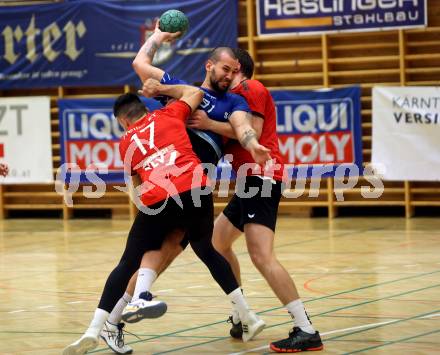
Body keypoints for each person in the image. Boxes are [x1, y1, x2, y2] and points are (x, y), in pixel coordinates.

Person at [63, 81, 266, 355]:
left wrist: (145, 208)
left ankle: (96, 327)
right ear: (143, 108)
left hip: (159, 197)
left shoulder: (125, 142)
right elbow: (195, 92)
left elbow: (135, 184)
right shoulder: (169, 114)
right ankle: (248, 315)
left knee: (129, 260)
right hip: (196, 188)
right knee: (207, 249)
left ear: (123, 121)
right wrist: (163, 87)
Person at [200, 48, 323, 353]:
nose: (226, 77)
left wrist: (209, 124)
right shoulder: (233, 97)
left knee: (262, 256)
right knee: (218, 241)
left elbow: (250, 132)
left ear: (238, 69)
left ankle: (306, 329)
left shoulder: (250, 89)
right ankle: (240, 313)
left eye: (229, 71)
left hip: (261, 177)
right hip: (248, 181)